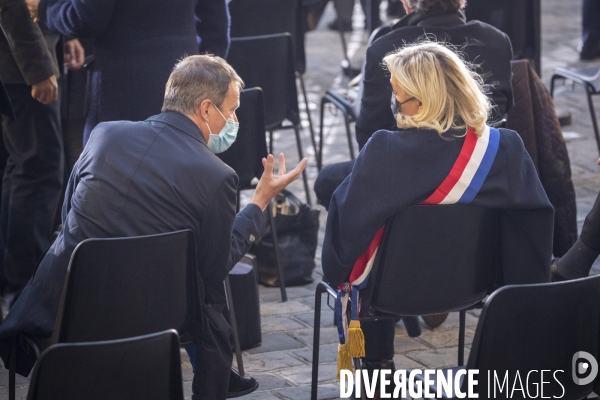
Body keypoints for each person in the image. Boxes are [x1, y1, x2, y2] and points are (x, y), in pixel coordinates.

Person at [0, 55, 307, 400]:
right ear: (206, 109)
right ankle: (214, 385)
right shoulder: (216, 175)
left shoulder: (104, 135)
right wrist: (259, 203)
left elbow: (67, 211)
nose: (235, 121)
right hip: (159, 320)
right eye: (232, 111)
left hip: (65, 313)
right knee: (208, 290)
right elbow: (215, 266)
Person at [322, 42, 553, 377]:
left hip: (388, 296)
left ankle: (377, 366)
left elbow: (347, 234)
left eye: (399, 98)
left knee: (366, 243)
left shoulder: (384, 151)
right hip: (475, 289)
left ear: (425, 100)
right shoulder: (505, 149)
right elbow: (534, 230)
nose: (396, 107)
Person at [315, 0, 514, 208]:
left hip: (406, 182)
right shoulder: (497, 40)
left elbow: (368, 140)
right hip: (483, 178)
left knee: (327, 181)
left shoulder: (385, 47)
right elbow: (503, 113)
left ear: (407, 3)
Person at [27, 0, 231, 144]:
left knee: (117, 185)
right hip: (187, 85)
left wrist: (45, 8)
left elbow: (86, 18)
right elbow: (217, 26)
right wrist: (204, 79)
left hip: (122, 92)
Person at [0, 0, 84, 298]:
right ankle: (28, 286)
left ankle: (14, 279)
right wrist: (37, 68)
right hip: (21, 67)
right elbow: (12, 7)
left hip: (27, 58)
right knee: (39, 171)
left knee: (22, 167)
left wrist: (66, 34)